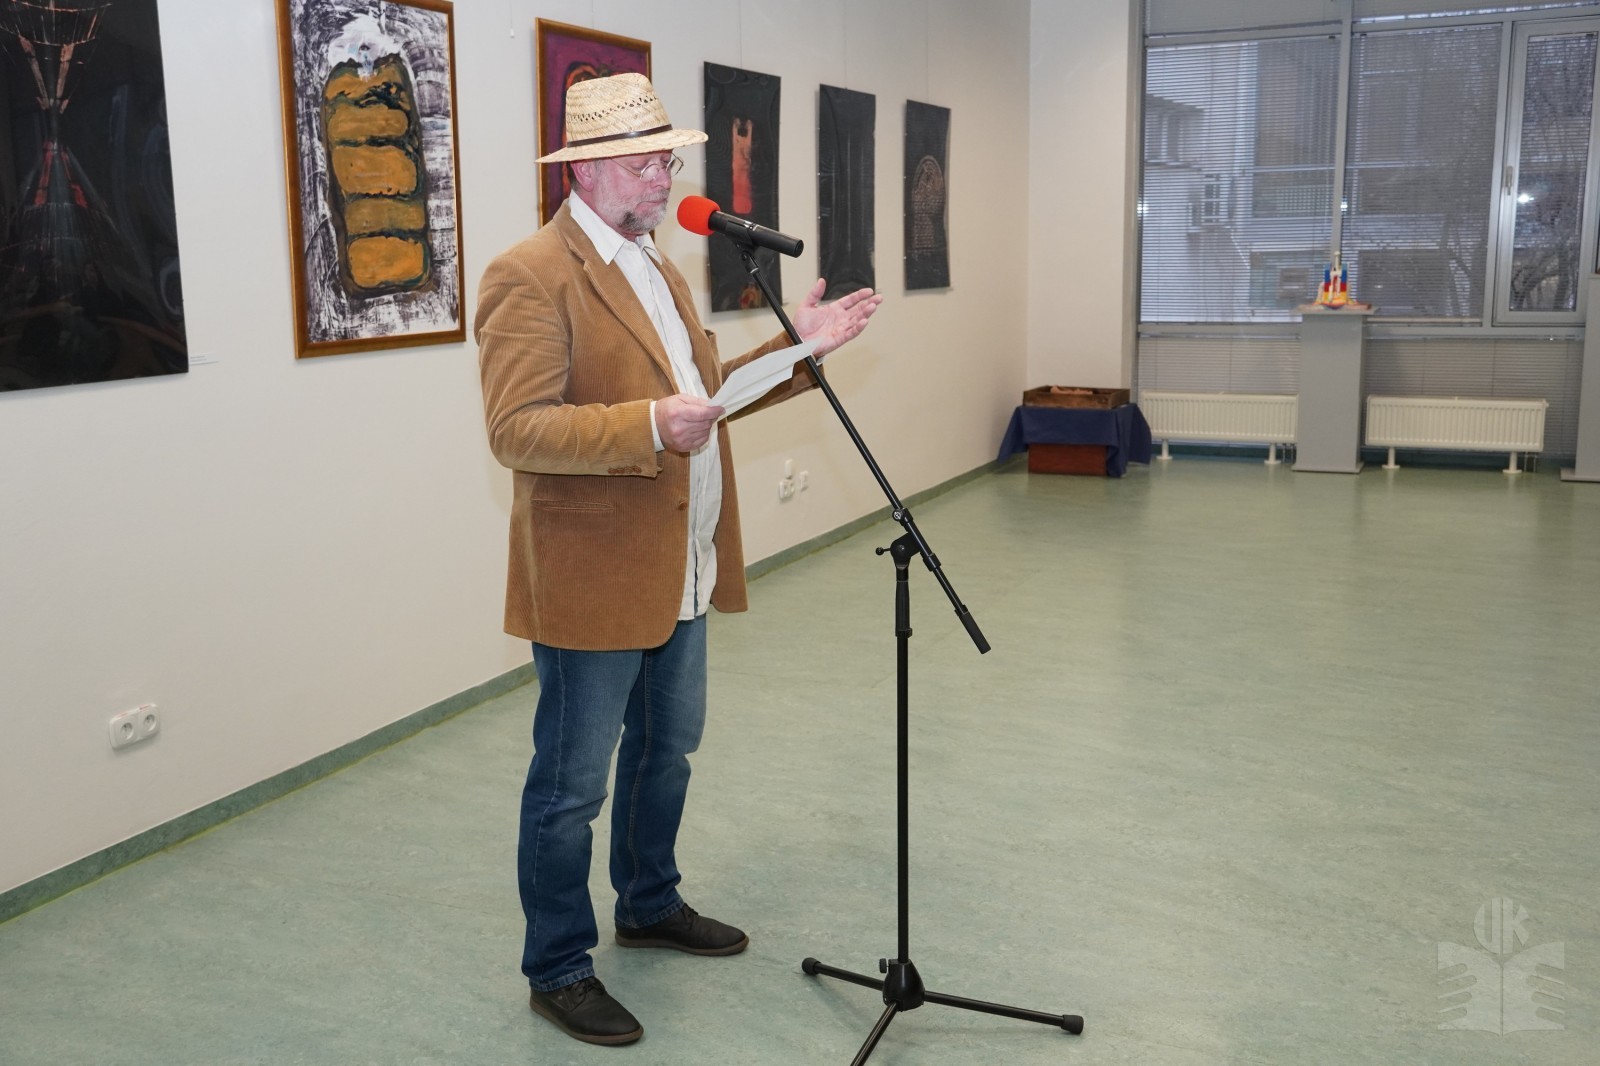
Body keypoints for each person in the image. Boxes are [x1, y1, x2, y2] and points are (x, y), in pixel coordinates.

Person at [474, 73, 882, 1047]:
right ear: (587, 170)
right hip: (593, 578)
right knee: (571, 786)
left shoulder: (657, 266)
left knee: (668, 752)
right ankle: (557, 965)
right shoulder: (529, 274)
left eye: (668, 159)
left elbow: (706, 397)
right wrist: (649, 425)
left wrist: (798, 349)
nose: (665, 177)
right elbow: (518, 428)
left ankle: (649, 901)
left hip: (682, 565)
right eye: (647, 162)